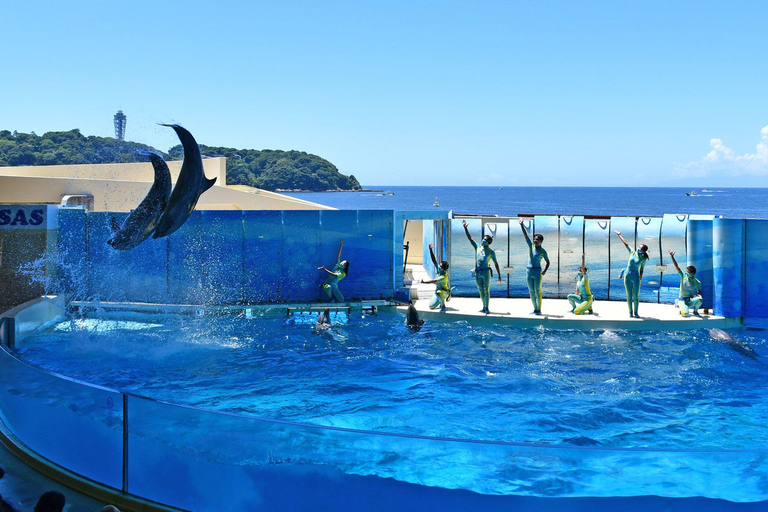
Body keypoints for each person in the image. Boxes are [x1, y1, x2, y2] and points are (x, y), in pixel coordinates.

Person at [462, 220, 502, 314]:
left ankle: (486, 307)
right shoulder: (477, 247)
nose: (483, 240)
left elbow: (496, 263)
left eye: (485, 240)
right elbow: (470, 239)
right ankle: (483, 306)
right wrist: (465, 228)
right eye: (483, 239)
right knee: (480, 290)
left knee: (486, 289)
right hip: (478, 272)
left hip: (486, 272)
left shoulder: (491, 252)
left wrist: (499, 275)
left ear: (489, 242)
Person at [614, 230, 649, 318]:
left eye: (640, 248)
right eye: (638, 247)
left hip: (636, 277)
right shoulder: (632, 252)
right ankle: (630, 312)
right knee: (629, 296)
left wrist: (640, 277)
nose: (638, 248)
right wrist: (619, 235)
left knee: (636, 296)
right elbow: (625, 243)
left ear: (643, 251)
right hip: (628, 276)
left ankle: (636, 312)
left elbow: (641, 269)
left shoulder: (643, 259)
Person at [519, 219, 550, 315]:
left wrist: (544, 271)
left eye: (537, 239)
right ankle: (534, 309)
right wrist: (521, 225)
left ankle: (538, 309)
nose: (535, 240)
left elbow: (548, 262)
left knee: (537, 291)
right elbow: (525, 236)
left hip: (537, 272)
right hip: (529, 271)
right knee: (531, 291)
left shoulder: (543, 251)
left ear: (541, 241)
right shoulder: (531, 246)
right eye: (534, 239)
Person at [668, 249, 703, 317]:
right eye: (686, 272)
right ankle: (678, 303)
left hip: (689, 300)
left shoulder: (697, 282)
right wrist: (672, 256)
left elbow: (699, 292)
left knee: (700, 299)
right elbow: (676, 266)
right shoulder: (683, 276)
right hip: (682, 299)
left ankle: (695, 311)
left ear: (693, 273)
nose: (687, 273)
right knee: (685, 314)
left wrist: (698, 295)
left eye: (688, 273)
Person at [420, 242, 450, 312]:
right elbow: (434, 260)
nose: (438, 266)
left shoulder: (443, 276)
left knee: (438, 292)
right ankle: (440, 301)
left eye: (440, 266)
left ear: (443, 269)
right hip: (439, 291)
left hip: (444, 292)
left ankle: (443, 306)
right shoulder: (439, 270)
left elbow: (433, 281)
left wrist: (424, 282)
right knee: (431, 306)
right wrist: (430, 250)